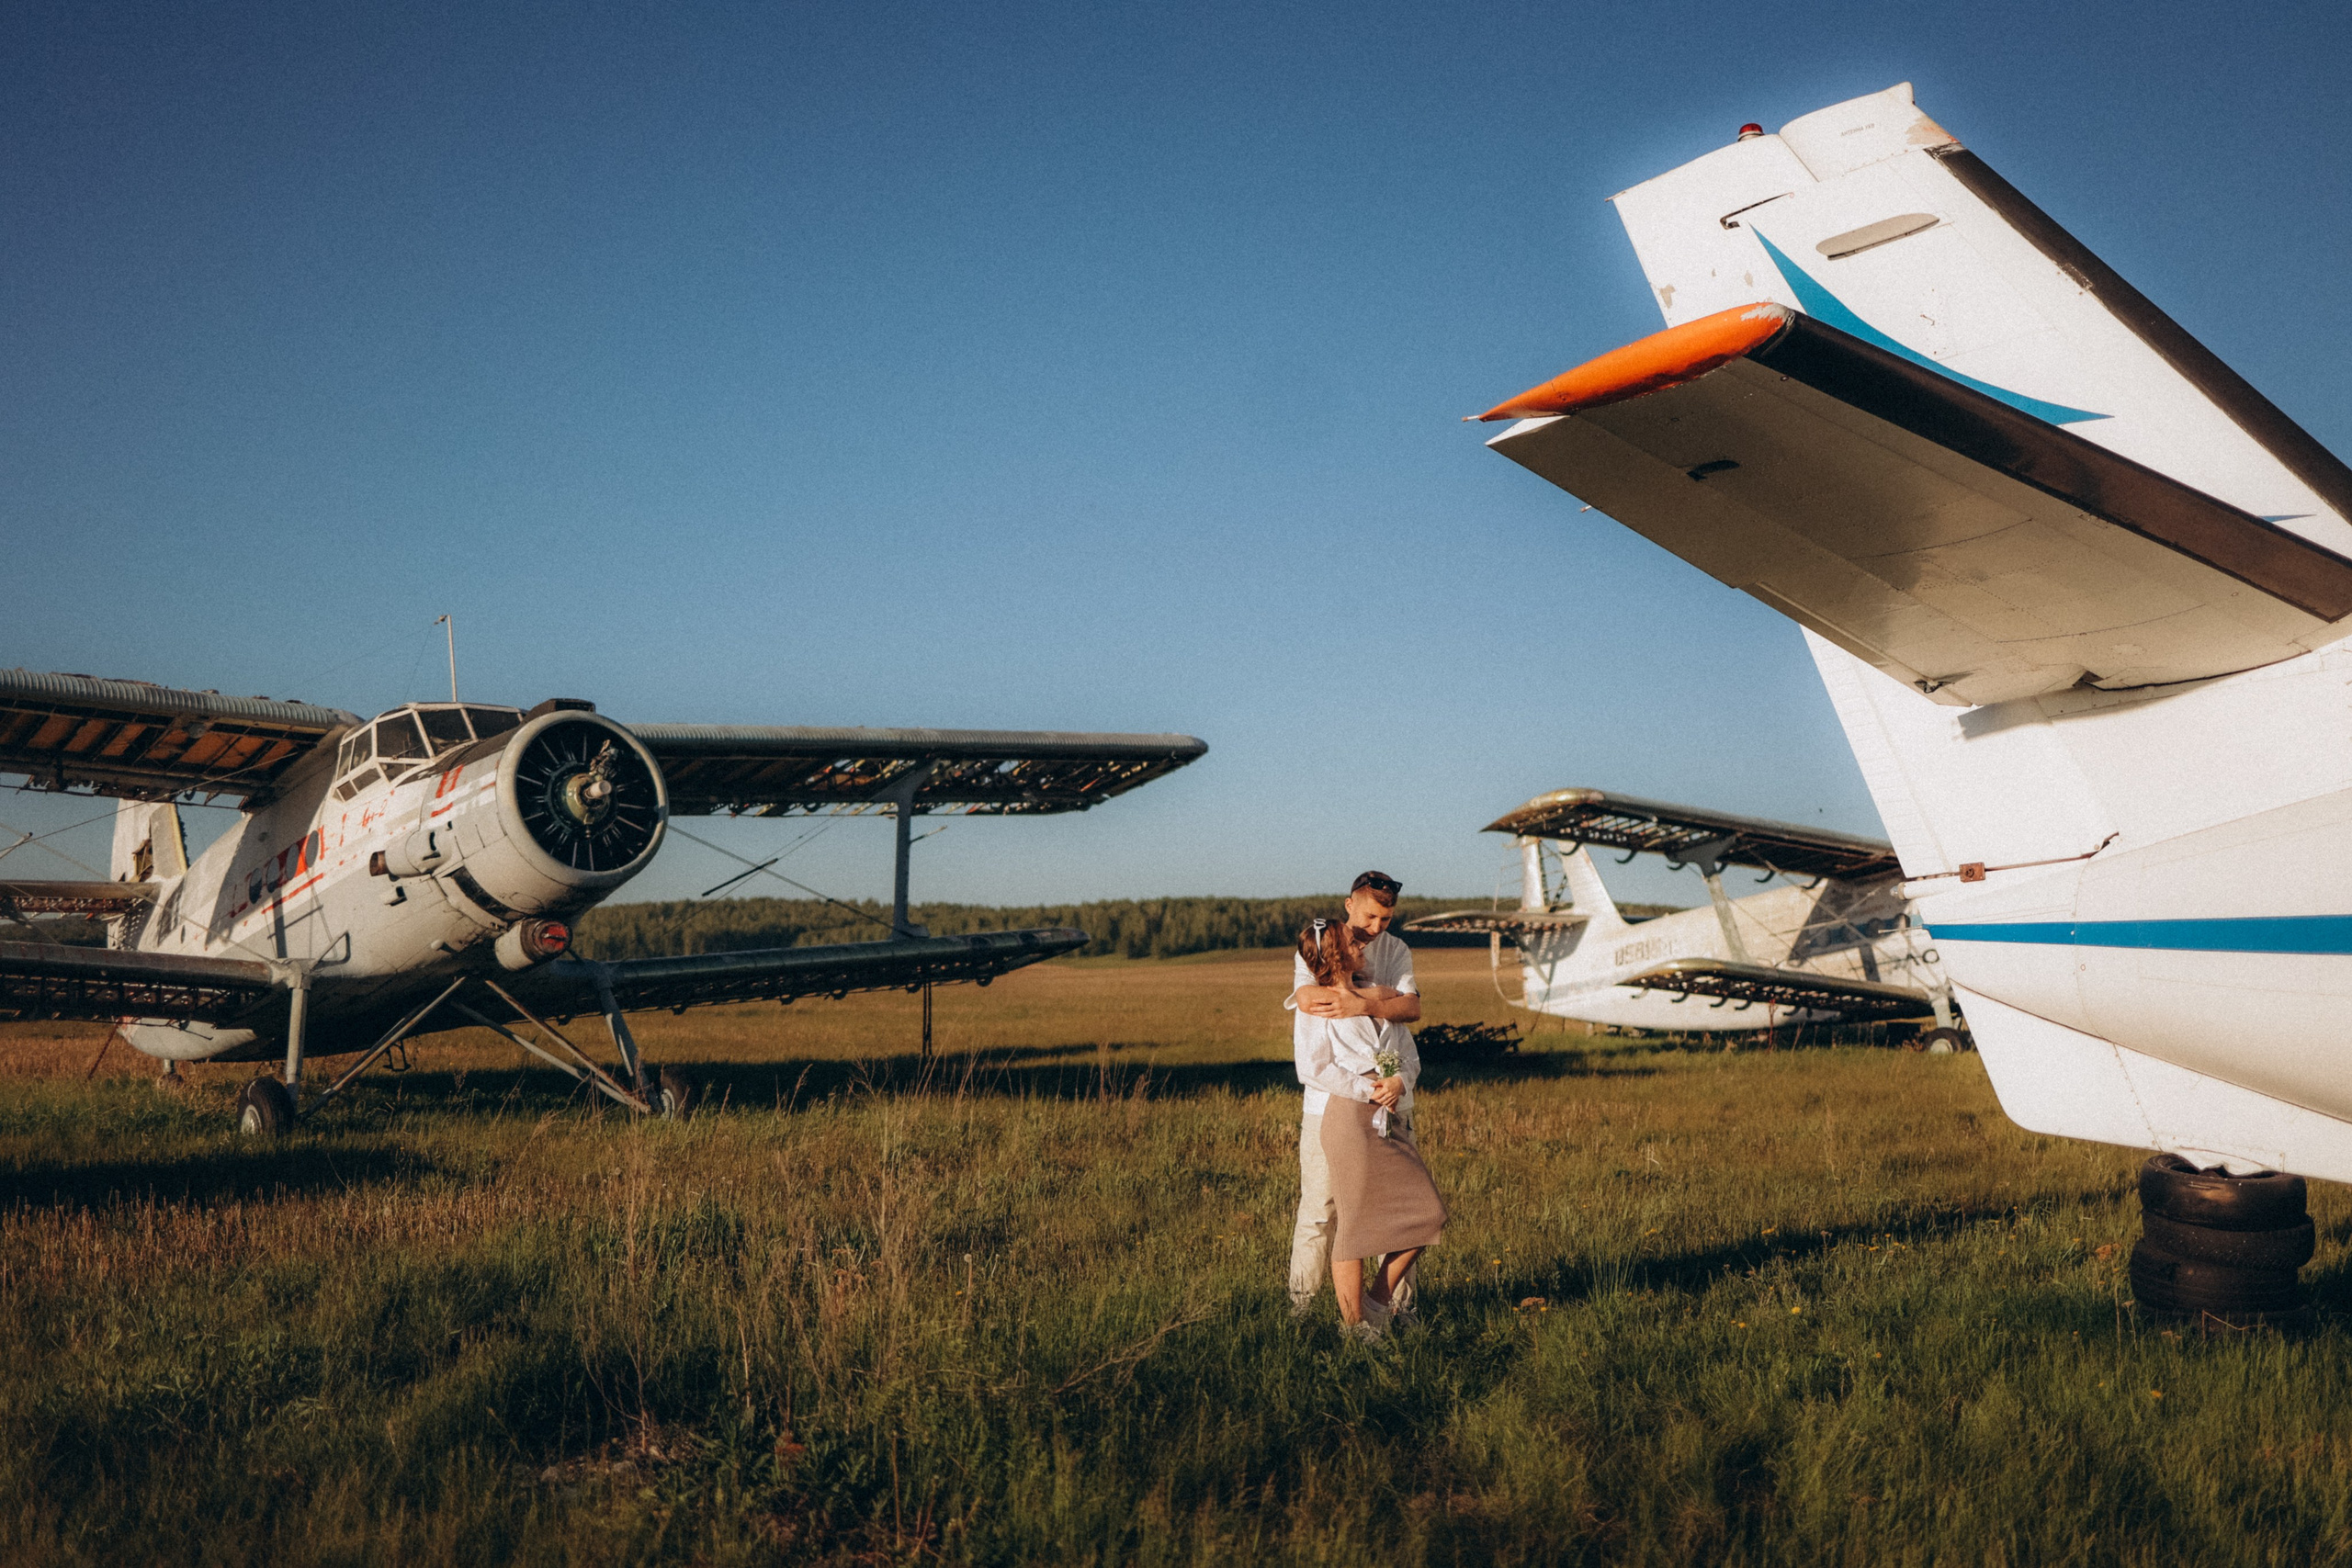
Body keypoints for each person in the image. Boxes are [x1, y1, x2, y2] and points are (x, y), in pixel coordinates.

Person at [1284, 871, 1443, 1334]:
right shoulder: (1322, 941)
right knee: (1322, 1211)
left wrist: (1366, 1001)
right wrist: (1365, 995)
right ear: (1349, 905)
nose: (1376, 928)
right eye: (1370, 916)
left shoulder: (1395, 949)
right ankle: (1305, 1312)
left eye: (1386, 918)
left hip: (1390, 1105)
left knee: (1398, 1213)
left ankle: (1398, 1308)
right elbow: (1308, 995)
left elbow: (1410, 1009)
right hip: (1331, 1108)